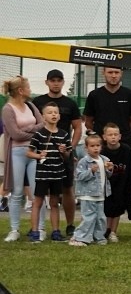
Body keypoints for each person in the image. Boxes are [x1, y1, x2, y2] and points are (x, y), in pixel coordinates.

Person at [33, 68, 82, 237]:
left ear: (62, 82)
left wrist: (70, 147)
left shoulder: (70, 103)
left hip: (63, 154)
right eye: (52, 80)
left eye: (59, 80)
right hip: (43, 156)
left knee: (67, 188)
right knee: (39, 192)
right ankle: (37, 228)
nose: (55, 83)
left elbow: (77, 127)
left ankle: (69, 224)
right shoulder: (37, 102)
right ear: (47, 82)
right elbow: (32, 126)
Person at [3, 76, 42, 242]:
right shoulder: (7, 109)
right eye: (28, 87)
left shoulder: (31, 106)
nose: (30, 89)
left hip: (34, 152)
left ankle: (39, 228)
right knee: (17, 192)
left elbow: (42, 124)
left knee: (36, 192)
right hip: (16, 153)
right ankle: (14, 229)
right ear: (21, 90)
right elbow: (15, 134)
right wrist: (33, 131)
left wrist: (27, 129)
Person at [27, 104, 72, 242]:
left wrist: (63, 151)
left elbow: (67, 157)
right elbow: (29, 152)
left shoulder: (64, 134)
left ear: (59, 116)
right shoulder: (39, 134)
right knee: (38, 202)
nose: (53, 115)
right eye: (50, 112)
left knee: (54, 203)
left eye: (55, 112)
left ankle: (56, 232)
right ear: (43, 116)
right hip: (43, 174)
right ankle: (35, 232)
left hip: (57, 174)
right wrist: (39, 156)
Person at [70, 133, 111, 247]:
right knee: (89, 217)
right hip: (87, 195)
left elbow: (107, 176)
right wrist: (91, 171)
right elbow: (79, 176)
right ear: (86, 148)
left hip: (100, 194)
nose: (95, 148)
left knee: (100, 217)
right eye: (92, 146)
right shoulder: (84, 161)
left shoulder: (104, 160)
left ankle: (98, 237)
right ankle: (80, 237)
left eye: (98, 145)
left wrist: (109, 169)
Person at [84, 66, 131, 147]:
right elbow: (88, 122)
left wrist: (121, 134)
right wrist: (100, 136)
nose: (113, 75)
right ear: (103, 73)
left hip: (124, 143)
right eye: (110, 72)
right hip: (101, 145)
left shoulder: (130, 94)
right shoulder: (94, 95)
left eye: (116, 72)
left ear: (121, 74)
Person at [100, 124, 131, 242]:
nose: (113, 137)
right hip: (106, 185)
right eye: (110, 135)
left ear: (120, 136)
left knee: (118, 208)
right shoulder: (101, 152)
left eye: (115, 134)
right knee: (107, 208)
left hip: (122, 183)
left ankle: (113, 232)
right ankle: (106, 230)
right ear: (104, 137)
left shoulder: (127, 151)